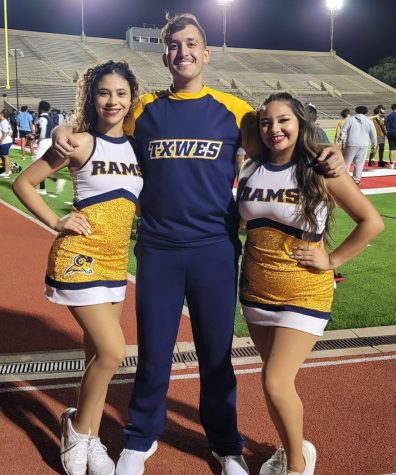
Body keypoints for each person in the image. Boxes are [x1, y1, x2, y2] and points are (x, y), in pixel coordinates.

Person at [52, 13, 346, 475]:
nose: (183, 51)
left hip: (214, 248)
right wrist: (62, 131)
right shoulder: (142, 107)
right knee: (153, 351)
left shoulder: (235, 111)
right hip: (158, 248)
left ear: (205, 54)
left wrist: (326, 149)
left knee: (215, 354)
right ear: (165, 54)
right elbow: (97, 121)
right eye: (174, 44)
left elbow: (282, 143)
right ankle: (139, 438)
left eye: (192, 43)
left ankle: (226, 445)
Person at [237, 92, 384, 475]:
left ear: (300, 124)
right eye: (267, 122)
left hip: (304, 291)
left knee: (274, 382)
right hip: (256, 290)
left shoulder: (320, 169)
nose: (275, 129)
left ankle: (297, 466)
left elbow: (371, 221)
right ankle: (291, 447)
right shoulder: (251, 168)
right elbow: (245, 222)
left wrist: (332, 259)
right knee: (273, 382)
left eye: (283, 120)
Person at [13, 60, 143, 475]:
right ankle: (79, 430)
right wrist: (55, 221)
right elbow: (23, 183)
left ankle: (91, 435)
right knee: (112, 351)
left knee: (95, 356)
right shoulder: (79, 142)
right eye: (104, 92)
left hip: (115, 263)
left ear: (131, 98)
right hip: (79, 258)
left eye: (121, 93)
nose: (113, 100)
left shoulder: (139, 146)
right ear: (92, 97)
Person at [33, 100, 66, 195]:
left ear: (40, 108)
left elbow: (42, 133)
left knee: (37, 166)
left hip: (44, 142)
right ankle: (43, 187)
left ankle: (52, 183)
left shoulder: (42, 118)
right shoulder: (50, 117)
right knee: (41, 166)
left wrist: (37, 140)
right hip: (49, 141)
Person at [341, 105, 377, 185]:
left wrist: (342, 141)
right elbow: (373, 134)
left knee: (346, 162)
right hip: (363, 144)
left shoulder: (351, 119)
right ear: (366, 112)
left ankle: (345, 179)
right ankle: (356, 179)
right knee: (360, 163)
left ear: (356, 111)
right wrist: (374, 144)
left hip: (351, 143)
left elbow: (343, 131)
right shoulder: (369, 121)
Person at [0, 109, 13, 177]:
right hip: (6, 141)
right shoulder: (5, 121)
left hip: (5, 142)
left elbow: (5, 132)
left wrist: (1, 141)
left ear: (2, 114)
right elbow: (10, 132)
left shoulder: (3, 122)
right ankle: (7, 170)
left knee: (5, 156)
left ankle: (7, 172)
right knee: (3, 156)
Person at [385, 103, 396, 169]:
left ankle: (391, 164)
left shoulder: (388, 116)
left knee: (391, 149)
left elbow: (385, 125)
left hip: (390, 133)